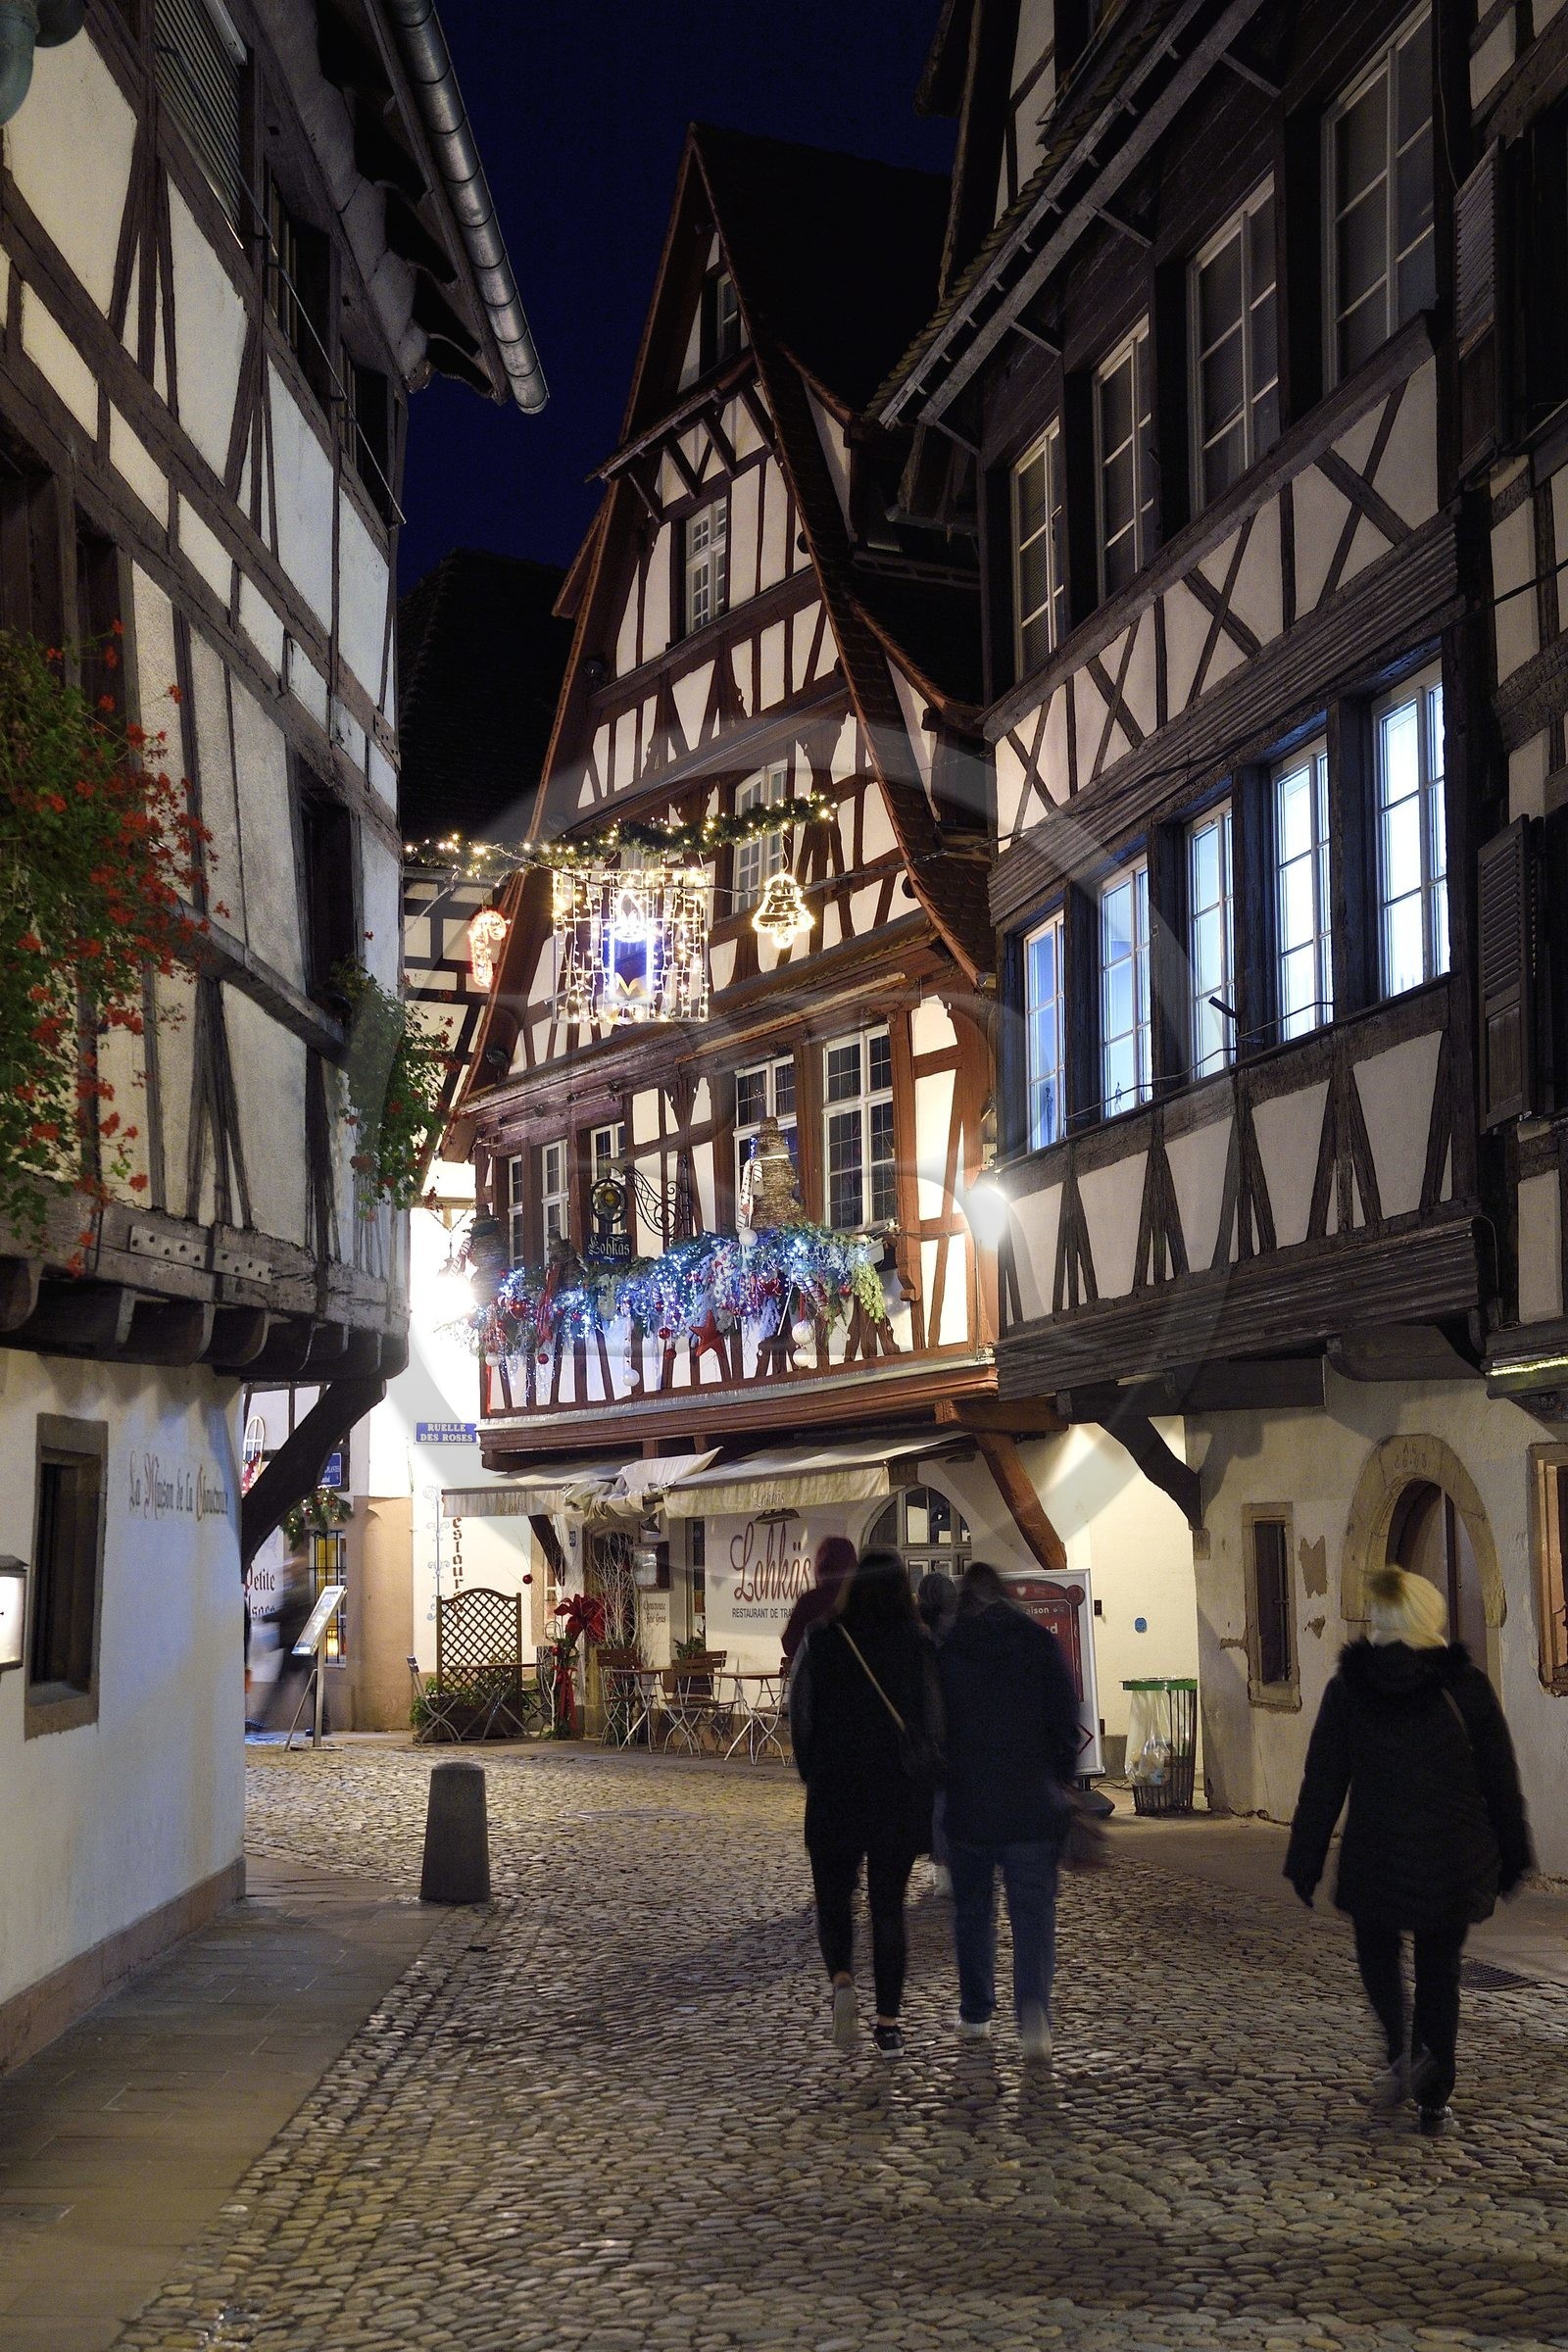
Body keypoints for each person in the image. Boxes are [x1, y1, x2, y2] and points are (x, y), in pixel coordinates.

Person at [1284, 1563, 1533, 2136]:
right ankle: (1433, 2092)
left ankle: (1400, 2048)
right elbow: (1500, 1774)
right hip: (1453, 1857)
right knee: (1440, 1970)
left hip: (1378, 1854)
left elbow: (1323, 1778)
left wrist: (1305, 1857)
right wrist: (1514, 1852)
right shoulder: (1465, 1686)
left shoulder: (1349, 1691)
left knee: (1377, 1953)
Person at [789, 1546, 944, 2059]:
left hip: (835, 1793)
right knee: (887, 1908)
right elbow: (934, 1719)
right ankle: (890, 2025)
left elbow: (801, 1718)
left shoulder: (825, 1639)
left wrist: (814, 1774)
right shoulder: (918, 1643)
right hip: (896, 1795)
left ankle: (841, 1984)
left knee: (835, 1900)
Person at [938, 1560, 1082, 2061]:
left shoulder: (951, 1650)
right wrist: (1058, 1776)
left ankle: (977, 2013)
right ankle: (1034, 2011)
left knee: (974, 1913)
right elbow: (1067, 1721)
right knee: (1033, 1914)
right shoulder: (1040, 1644)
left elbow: (937, 1730)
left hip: (970, 1807)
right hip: (1032, 1805)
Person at [915, 1571, 959, 1895]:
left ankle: (942, 1867)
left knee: (939, 1799)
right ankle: (950, 1863)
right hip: (956, 1726)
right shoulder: (961, 1632)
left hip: (931, 1728)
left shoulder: (917, 1636)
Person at [780, 1534, 857, 1672]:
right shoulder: (862, 1598)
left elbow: (790, 1644)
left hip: (819, 1677)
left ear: (822, 1565)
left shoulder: (811, 1601)